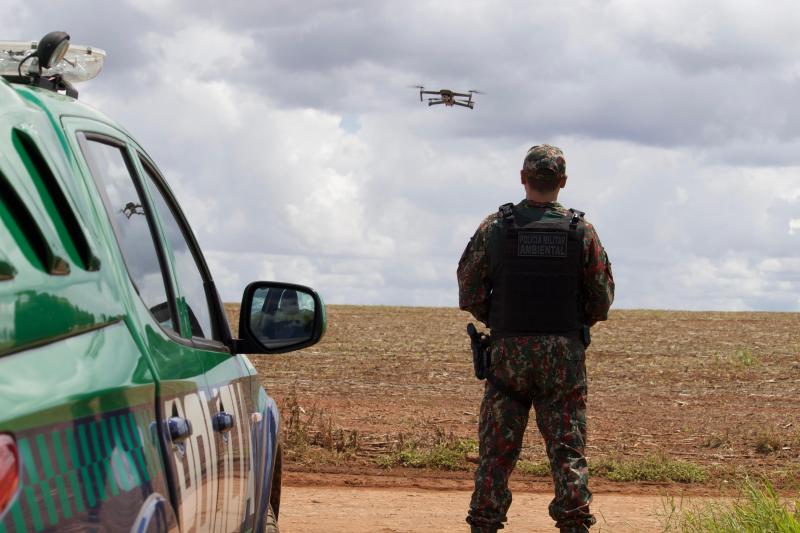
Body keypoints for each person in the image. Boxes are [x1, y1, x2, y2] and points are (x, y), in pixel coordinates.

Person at [457, 144, 614, 533]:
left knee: (496, 451)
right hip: (563, 354)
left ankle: (485, 523)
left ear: (523, 178)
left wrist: (500, 321)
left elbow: (470, 289)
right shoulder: (582, 231)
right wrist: (572, 327)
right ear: (562, 182)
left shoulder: (495, 227)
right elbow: (601, 296)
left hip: (508, 354)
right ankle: (575, 522)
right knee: (567, 448)